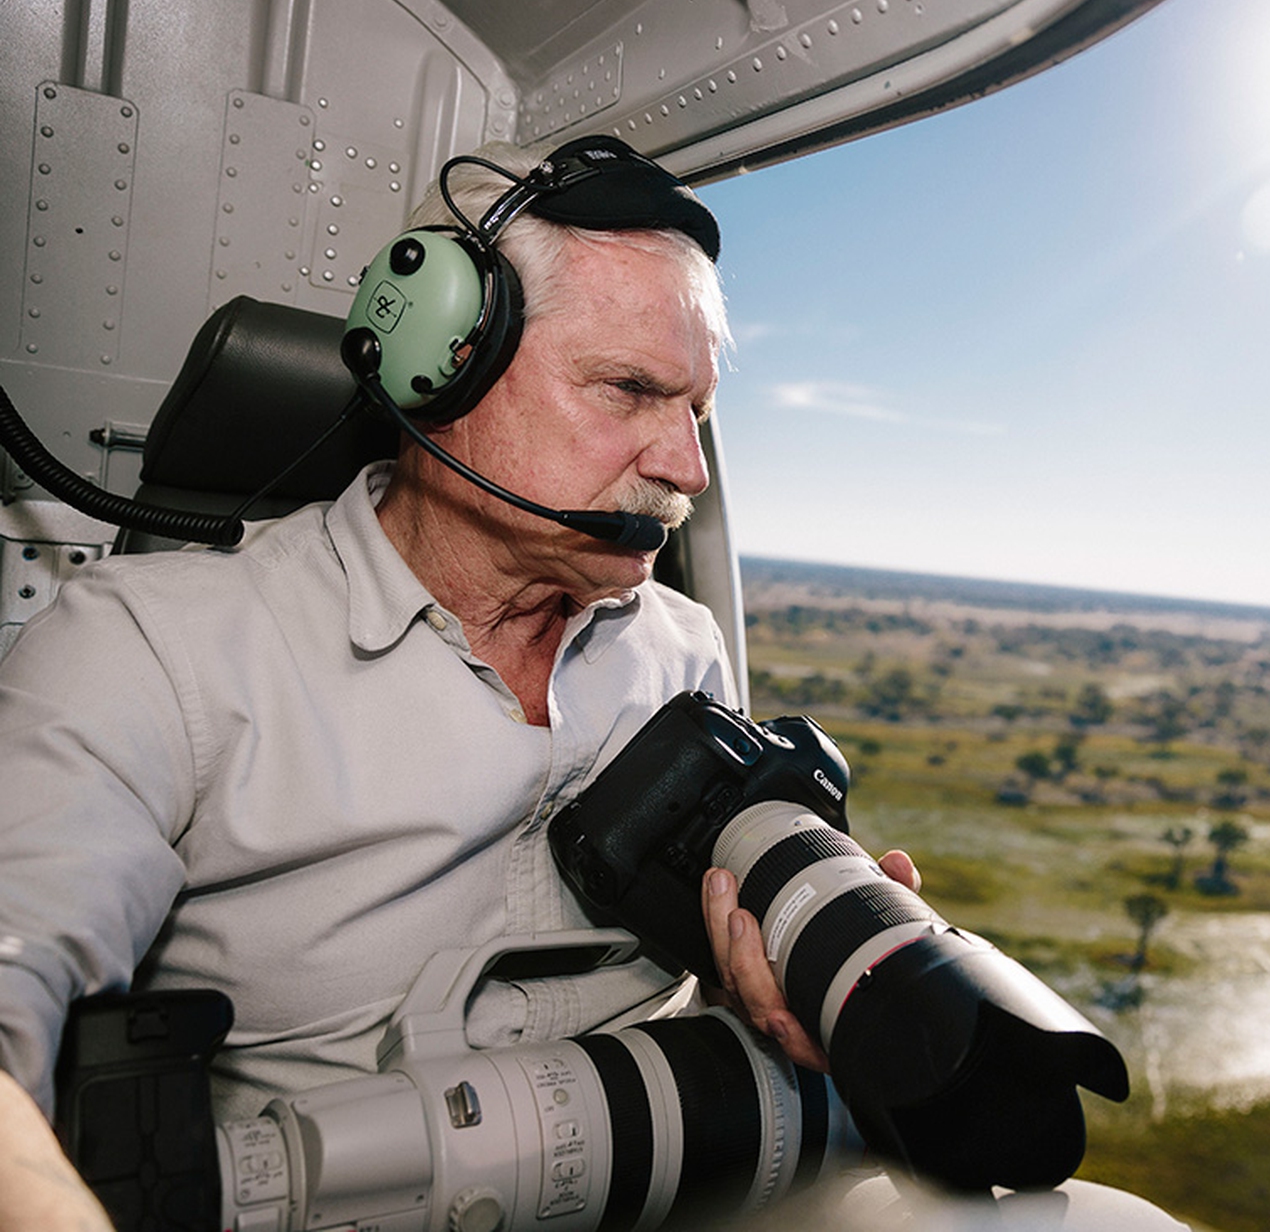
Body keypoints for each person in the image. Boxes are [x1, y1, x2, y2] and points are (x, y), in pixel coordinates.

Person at [0, 137, 904, 1214]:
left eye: (696, 411)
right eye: (629, 390)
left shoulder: (682, 650)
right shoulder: (149, 651)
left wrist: (795, 970)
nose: (687, 469)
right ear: (441, 364)